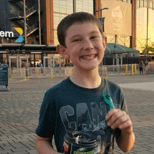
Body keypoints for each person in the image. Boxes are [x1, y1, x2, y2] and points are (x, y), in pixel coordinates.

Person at [35, 12, 135, 154]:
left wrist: (128, 130)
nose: (88, 46)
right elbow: (41, 140)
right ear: (64, 51)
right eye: (77, 40)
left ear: (104, 42)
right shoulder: (55, 95)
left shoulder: (115, 91)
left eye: (93, 37)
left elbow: (125, 147)